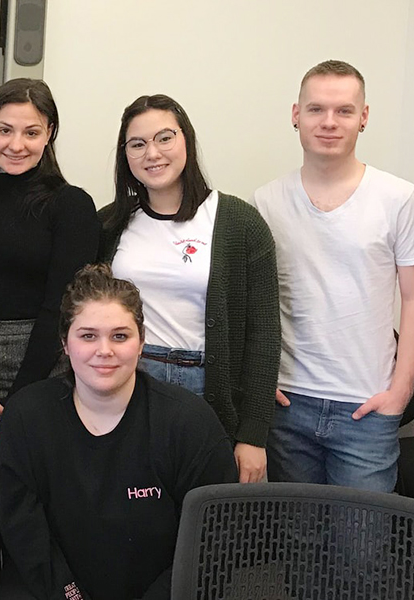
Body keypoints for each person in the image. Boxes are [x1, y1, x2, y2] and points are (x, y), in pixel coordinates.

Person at [0, 264, 236, 599]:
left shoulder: (189, 424)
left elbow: (214, 543)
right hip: (51, 590)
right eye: (88, 335)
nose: (104, 350)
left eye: (120, 336)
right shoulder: (26, 417)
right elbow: (23, 531)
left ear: (141, 344)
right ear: (65, 343)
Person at [251, 60, 414, 493]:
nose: (329, 122)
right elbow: (256, 303)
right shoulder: (266, 201)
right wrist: (261, 382)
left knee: (360, 553)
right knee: (297, 549)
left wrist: (401, 391)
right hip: (287, 405)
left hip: (367, 408)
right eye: (316, 110)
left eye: (344, 111)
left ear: (364, 117)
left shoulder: (400, 199)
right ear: (295, 115)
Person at [96, 94, 280, 483]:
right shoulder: (109, 224)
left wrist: (253, 435)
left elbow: (263, 334)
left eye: (165, 138)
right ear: (125, 155)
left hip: (205, 386)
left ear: (186, 141)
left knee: (203, 515)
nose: (153, 153)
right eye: (138, 144)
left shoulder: (238, 222)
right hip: (129, 381)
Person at [0, 78, 99, 443]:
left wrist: (22, 399)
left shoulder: (71, 207)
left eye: (31, 132)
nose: (16, 144)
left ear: (49, 134)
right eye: (5, 130)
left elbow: (62, 309)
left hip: (49, 376)